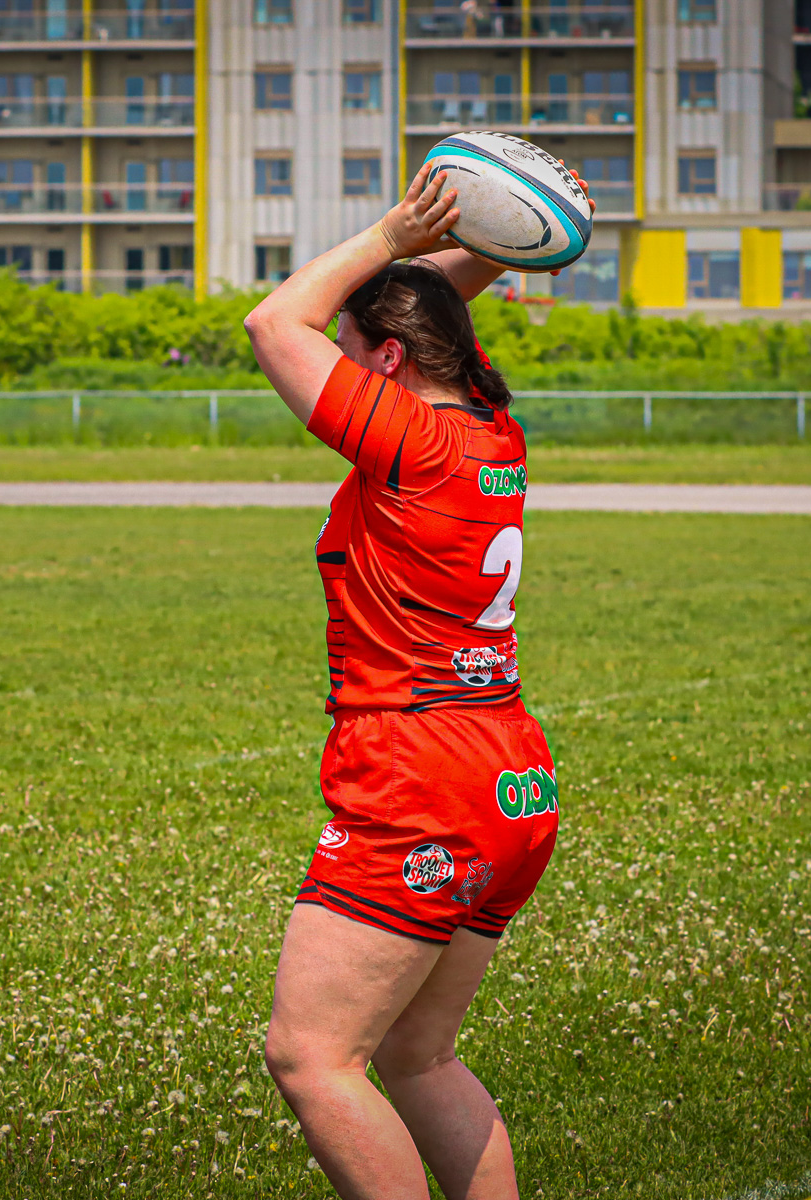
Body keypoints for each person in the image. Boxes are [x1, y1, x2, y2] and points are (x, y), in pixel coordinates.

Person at [243, 164, 580, 1200]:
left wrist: (390, 231)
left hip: (418, 773)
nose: (335, 371)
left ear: (387, 362)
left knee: (312, 1055)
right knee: (416, 1055)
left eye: (354, 358)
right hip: (509, 776)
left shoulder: (410, 443)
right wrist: (499, 238)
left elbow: (273, 323)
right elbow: (427, 320)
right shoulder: (489, 428)